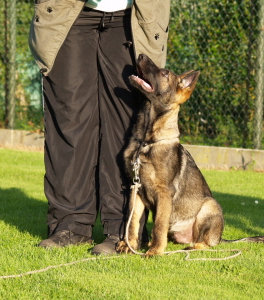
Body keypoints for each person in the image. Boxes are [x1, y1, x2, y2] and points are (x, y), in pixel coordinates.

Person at [29, 0, 171, 255]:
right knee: (69, 122)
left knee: (125, 128)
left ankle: (124, 230)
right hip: (67, 11)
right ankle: (70, 224)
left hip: (134, 15)